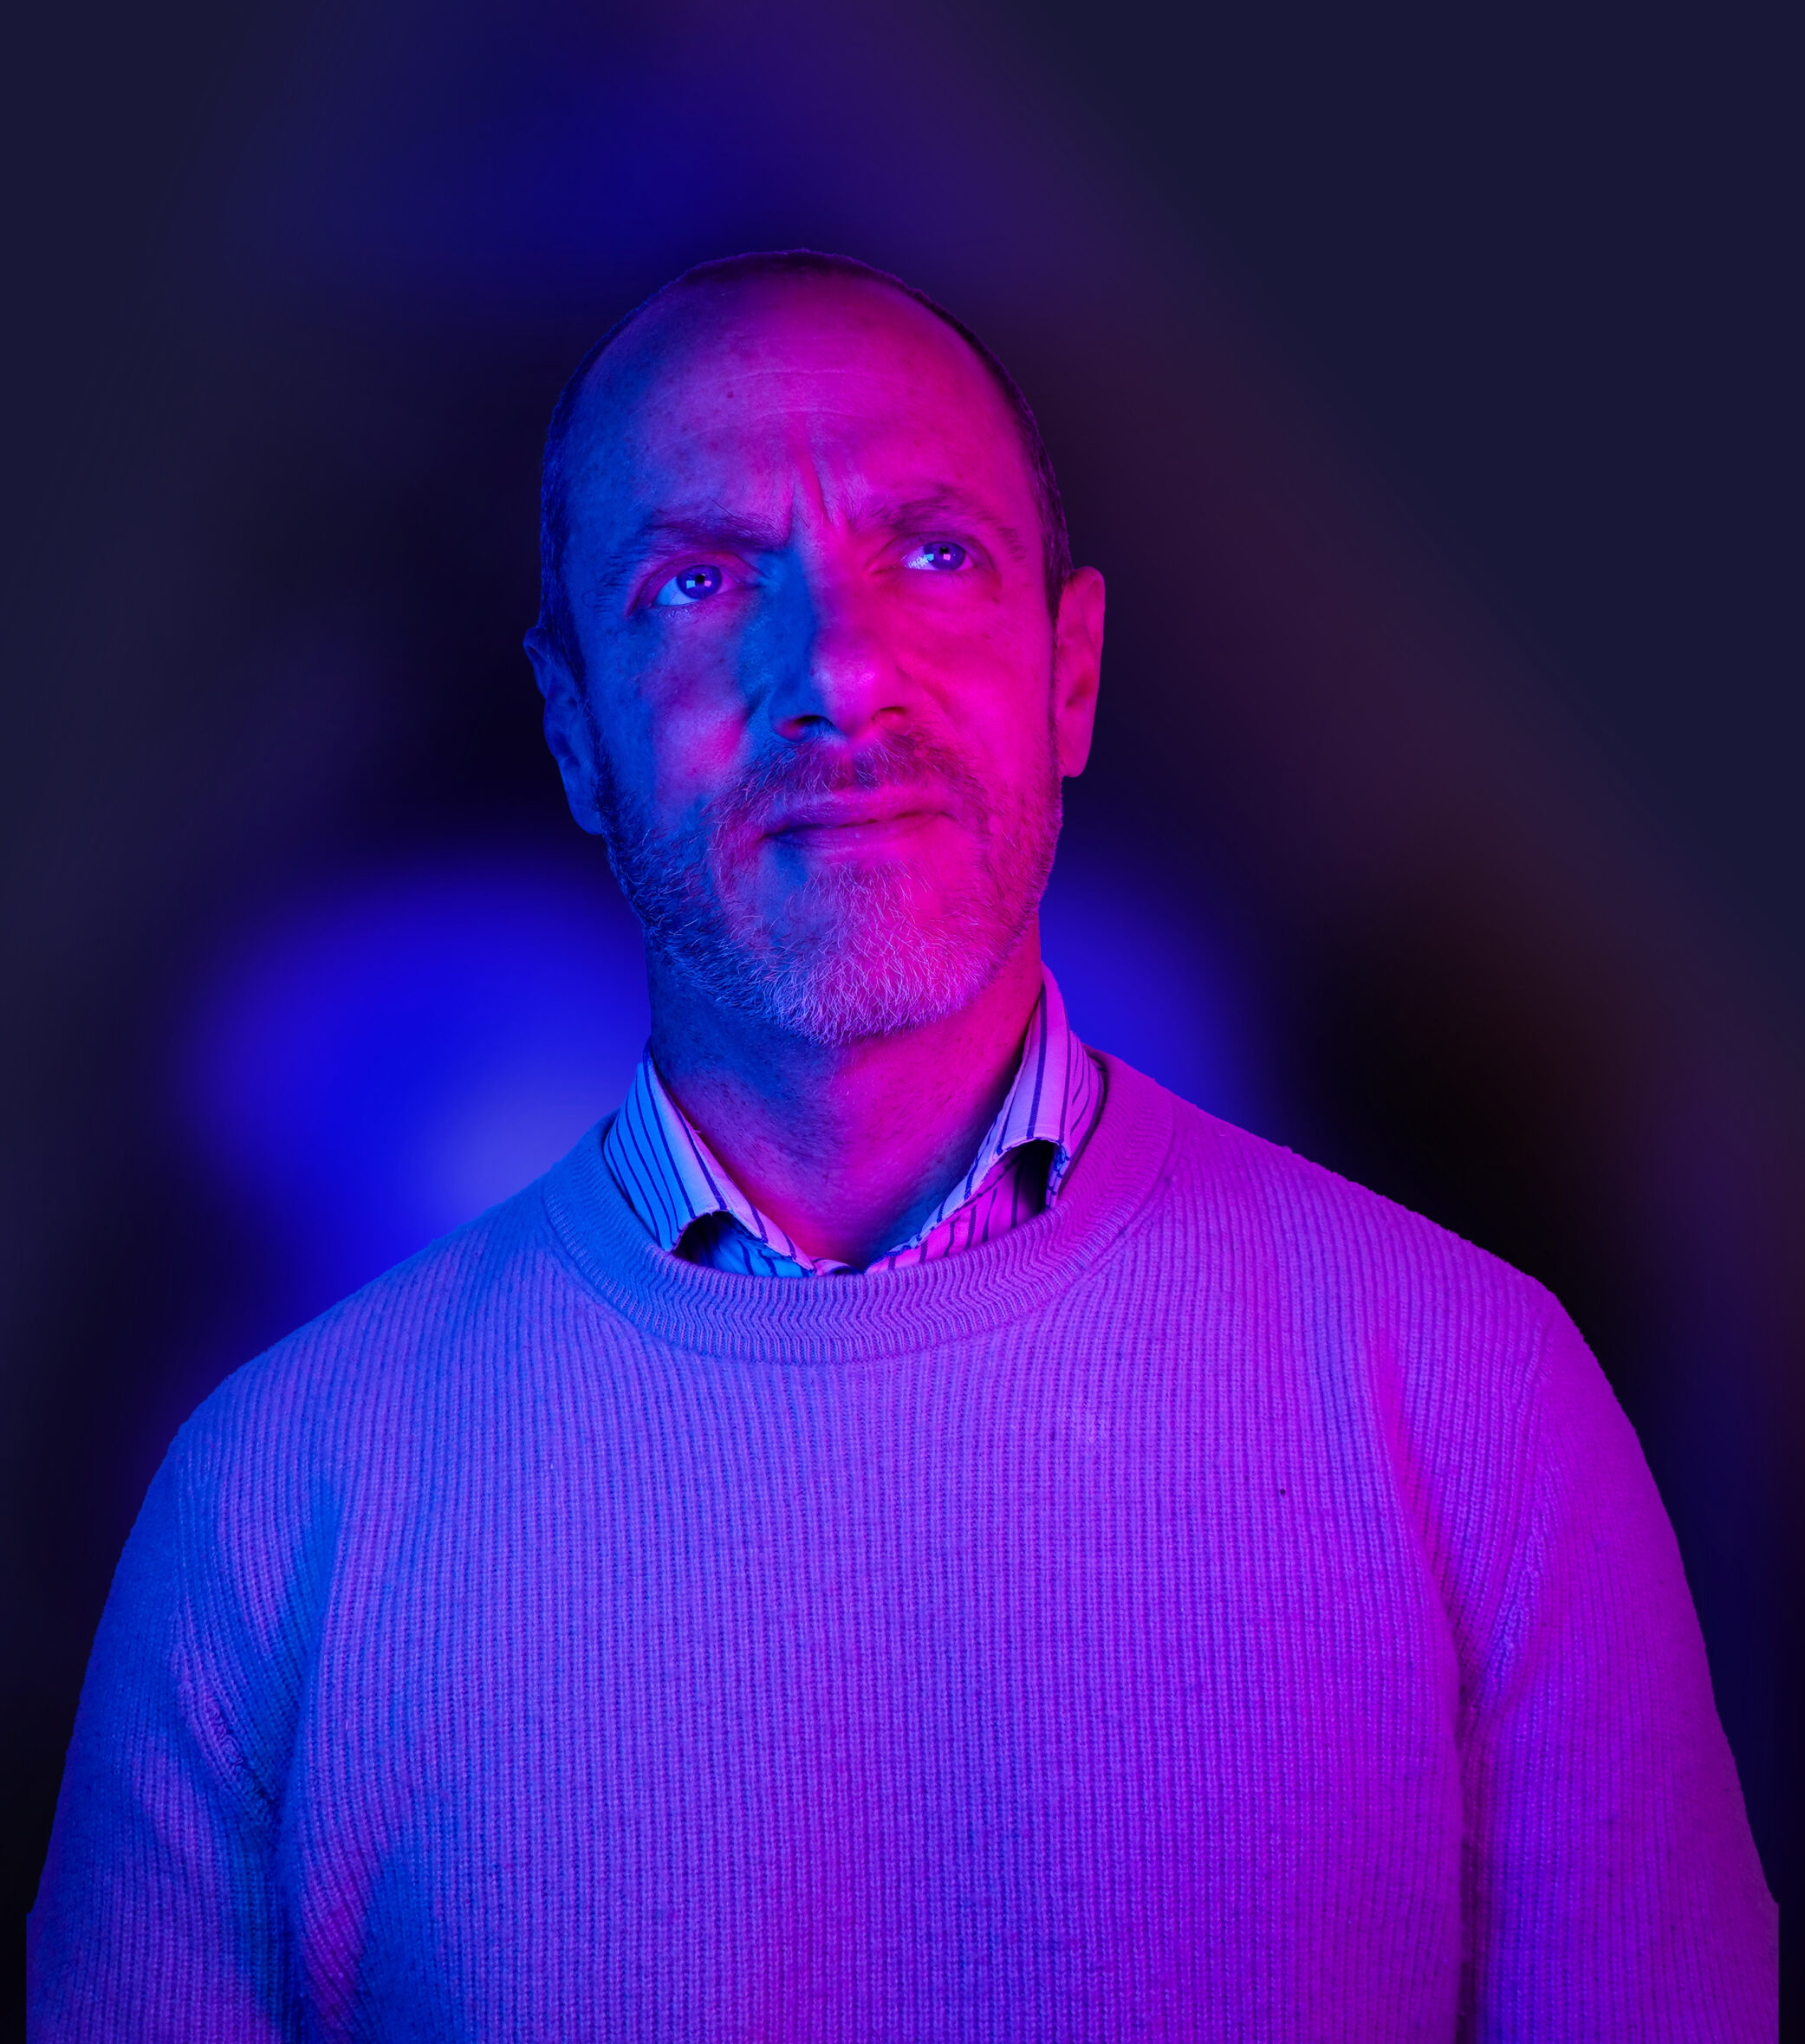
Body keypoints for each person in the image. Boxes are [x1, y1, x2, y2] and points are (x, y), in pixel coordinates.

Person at [29, 251, 1776, 2039]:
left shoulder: (1475, 1406)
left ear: (1070, 671)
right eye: (701, 580)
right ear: (574, 727)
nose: (840, 672)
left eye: (933, 555)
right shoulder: (272, 1505)